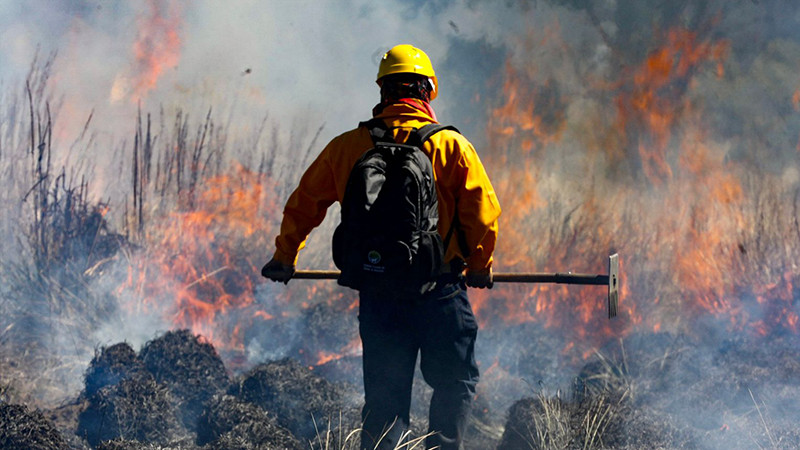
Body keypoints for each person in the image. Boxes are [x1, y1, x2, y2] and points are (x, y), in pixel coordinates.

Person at [261, 44, 501, 450]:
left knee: (385, 405)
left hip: (379, 293)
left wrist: (285, 257)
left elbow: (304, 204)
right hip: (439, 292)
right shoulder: (451, 147)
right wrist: (480, 265)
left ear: (383, 91)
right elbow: (483, 214)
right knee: (454, 383)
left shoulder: (348, 146)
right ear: (428, 91)